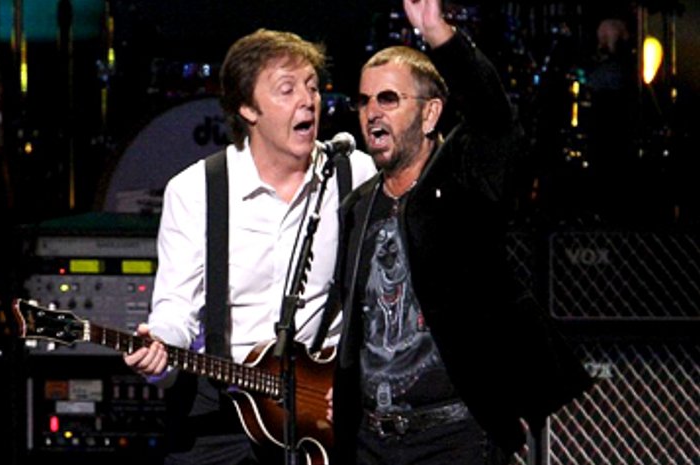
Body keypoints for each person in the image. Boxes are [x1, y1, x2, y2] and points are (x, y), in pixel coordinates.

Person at [329, 1, 594, 464]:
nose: (372, 112)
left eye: (388, 99)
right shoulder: (357, 207)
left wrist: (437, 33)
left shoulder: (466, 181)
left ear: (431, 114)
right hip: (372, 442)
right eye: (364, 100)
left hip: (457, 438)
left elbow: (494, 118)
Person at [124, 28, 378, 464]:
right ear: (247, 108)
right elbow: (176, 308)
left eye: (313, 87)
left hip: (320, 410)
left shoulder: (353, 173)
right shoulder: (196, 191)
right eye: (287, 89)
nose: (308, 101)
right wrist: (158, 348)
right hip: (222, 409)